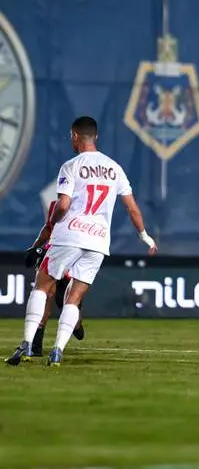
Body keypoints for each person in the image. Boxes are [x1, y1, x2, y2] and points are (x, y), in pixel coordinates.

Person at [6, 116, 157, 367]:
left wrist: (52, 227)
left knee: (42, 287)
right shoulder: (115, 168)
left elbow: (63, 205)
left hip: (70, 235)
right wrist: (145, 236)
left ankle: (27, 343)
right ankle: (57, 352)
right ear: (94, 136)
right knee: (73, 299)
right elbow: (132, 209)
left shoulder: (71, 166)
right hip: (98, 241)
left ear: (75, 136)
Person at [24, 199, 85, 357]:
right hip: (55, 252)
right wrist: (36, 246)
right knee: (46, 295)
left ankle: (75, 325)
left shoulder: (86, 205)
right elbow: (49, 228)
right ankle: (35, 345)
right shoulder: (56, 205)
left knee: (69, 302)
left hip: (73, 256)